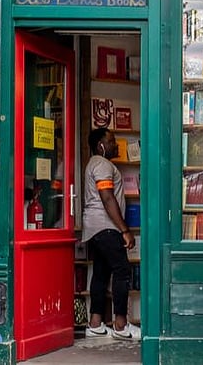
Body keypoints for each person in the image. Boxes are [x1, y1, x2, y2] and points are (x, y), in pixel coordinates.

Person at [83, 127, 141, 340]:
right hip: (106, 227)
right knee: (123, 270)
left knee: (101, 273)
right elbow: (107, 197)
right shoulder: (102, 164)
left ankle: (95, 324)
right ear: (100, 145)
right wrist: (124, 230)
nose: (116, 144)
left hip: (94, 228)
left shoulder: (95, 164)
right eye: (112, 141)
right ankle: (120, 325)